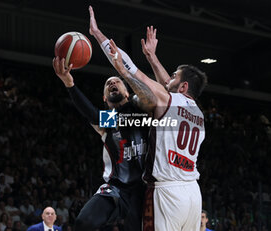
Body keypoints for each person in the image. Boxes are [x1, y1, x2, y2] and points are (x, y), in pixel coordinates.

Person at [89, 6, 207, 231]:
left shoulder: (166, 100)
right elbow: (167, 88)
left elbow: (129, 67)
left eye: (174, 76)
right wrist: (152, 57)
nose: (167, 77)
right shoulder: (198, 113)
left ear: (182, 86)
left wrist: (97, 34)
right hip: (192, 191)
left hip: (166, 192)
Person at [53, 23, 156, 231]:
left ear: (127, 92)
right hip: (116, 188)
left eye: (116, 81)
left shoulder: (141, 110)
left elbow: (151, 98)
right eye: (108, 84)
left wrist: (124, 71)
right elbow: (90, 112)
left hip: (144, 190)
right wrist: (69, 83)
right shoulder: (109, 119)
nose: (112, 84)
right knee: (84, 223)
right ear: (104, 98)